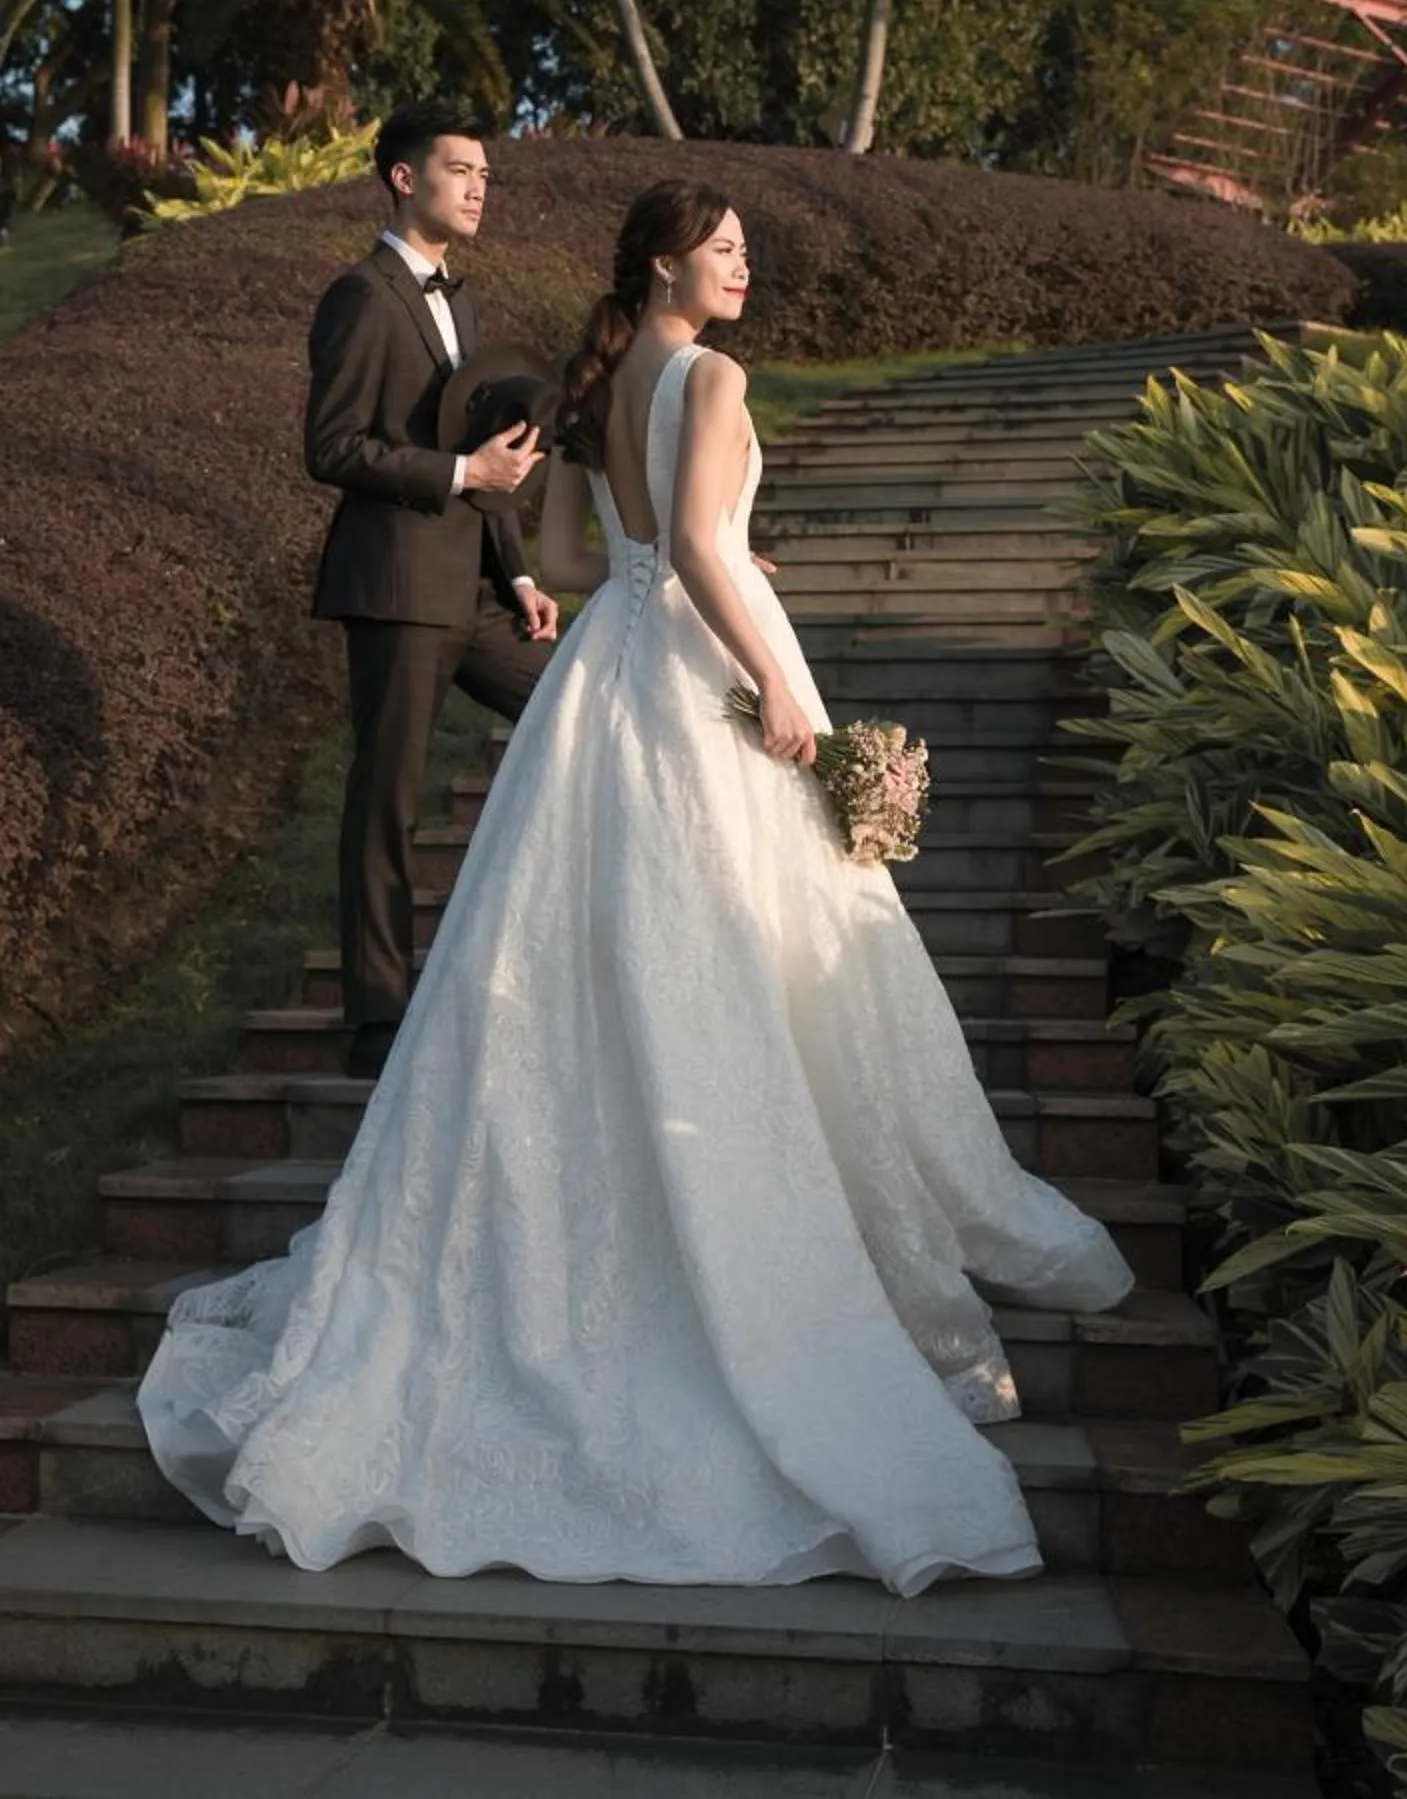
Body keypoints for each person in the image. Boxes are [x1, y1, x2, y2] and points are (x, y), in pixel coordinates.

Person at [140, 181, 1132, 1592]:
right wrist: (791, 695)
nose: (746, 265)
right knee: (746, 950)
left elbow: (565, 559)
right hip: (702, 677)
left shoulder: (603, 382)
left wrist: (657, 569)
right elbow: (717, 554)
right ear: (669, 263)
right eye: (727, 248)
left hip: (607, 676)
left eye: (746, 246)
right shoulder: (713, 375)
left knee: (589, 951)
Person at [302, 104, 559, 1079]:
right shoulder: (360, 297)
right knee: (387, 798)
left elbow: (482, 445)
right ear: (402, 178)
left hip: (479, 594)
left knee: (570, 709)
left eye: (484, 174)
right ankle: (376, 1016)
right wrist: (458, 478)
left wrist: (522, 572)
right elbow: (331, 448)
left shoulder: (467, 304)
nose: (477, 187)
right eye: (459, 170)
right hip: (397, 585)